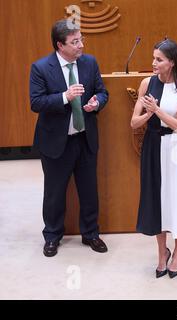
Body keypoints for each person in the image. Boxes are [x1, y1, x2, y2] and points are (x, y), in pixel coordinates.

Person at [29, 19, 109, 257]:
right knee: (54, 192)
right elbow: (36, 102)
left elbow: (102, 92)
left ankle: (91, 234)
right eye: (75, 42)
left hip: (84, 138)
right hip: (56, 142)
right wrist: (64, 96)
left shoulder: (89, 63)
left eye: (81, 39)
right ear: (59, 45)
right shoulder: (41, 68)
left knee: (89, 190)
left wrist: (97, 103)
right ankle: (52, 236)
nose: (81, 45)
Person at [131, 39, 177, 278]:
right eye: (153, 58)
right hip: (152, 145)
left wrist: (157, 111)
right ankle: (162, 253)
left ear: (172, 62)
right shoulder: (146, 83)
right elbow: (134, 123)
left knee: (176, 198)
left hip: (175, 146)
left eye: (159, 59)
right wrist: (149, 113)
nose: (154, 63)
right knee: (156, 200)